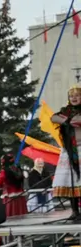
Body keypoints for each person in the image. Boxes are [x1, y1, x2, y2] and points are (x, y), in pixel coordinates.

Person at [51, 85, 81, 220]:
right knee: (71, 181)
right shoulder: (65, 111)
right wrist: (67, 120)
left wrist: (70, 121)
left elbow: (78, 121)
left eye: (77, 95)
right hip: (69, 150)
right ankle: (75, 211)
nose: (74, 98)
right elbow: (53, 117)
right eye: (71, 96)